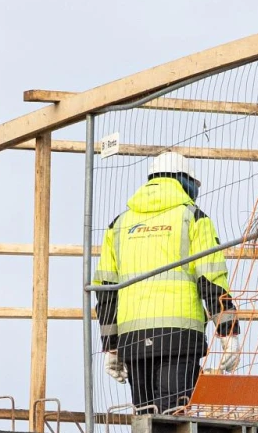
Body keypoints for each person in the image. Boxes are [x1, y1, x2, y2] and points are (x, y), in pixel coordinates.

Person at [94, 151, 241, 413]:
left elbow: (106, 291)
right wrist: (228, 332)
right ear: (184, 180)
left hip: (133, 338)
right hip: (179, 334)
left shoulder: (119, 225)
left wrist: (111, 347)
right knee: (174, 416)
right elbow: (212, 280)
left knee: (146, 418)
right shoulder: (193, 217)